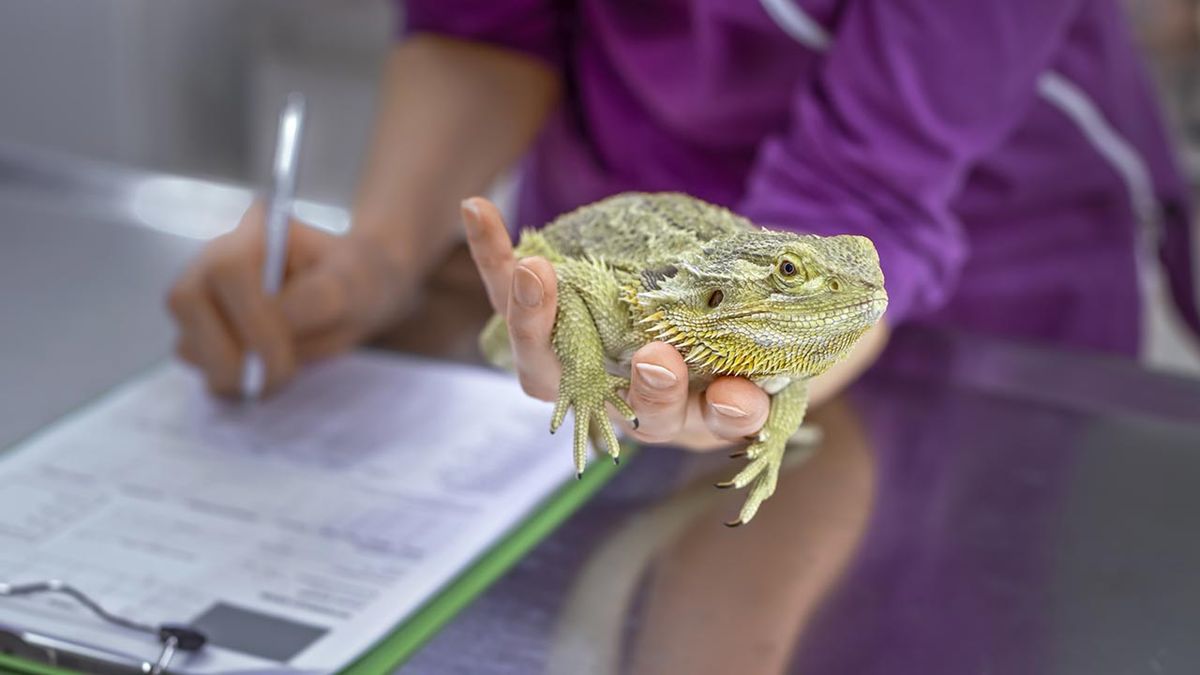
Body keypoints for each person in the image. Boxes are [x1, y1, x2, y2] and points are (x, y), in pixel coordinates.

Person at [167, 0, 1198, 452]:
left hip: (979, 307)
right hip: (632, 264)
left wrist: (735, 373)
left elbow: (871, 195)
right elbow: (489, 25)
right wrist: (379, 258)